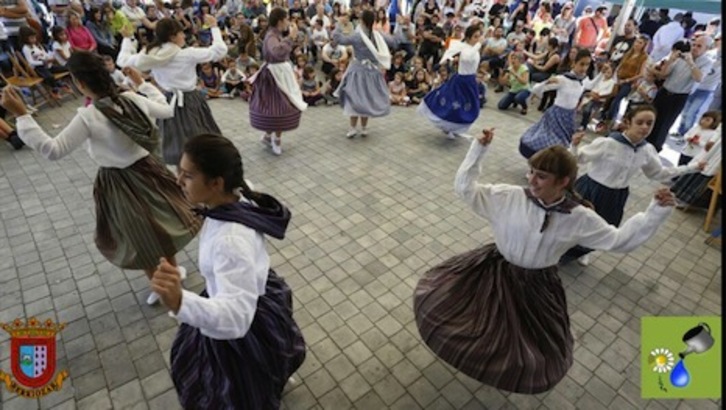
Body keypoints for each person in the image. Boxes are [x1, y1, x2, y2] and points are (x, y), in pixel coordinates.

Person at [414, 127, 677, 394]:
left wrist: (655, 212)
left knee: (532, 348)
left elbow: (619, 240)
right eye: (531, 172)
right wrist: (478, 150)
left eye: (541, 176)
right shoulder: (510, 196)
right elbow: (466, 190)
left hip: (536, 285)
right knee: (451, 310)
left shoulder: (579, 217)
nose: (531, 180)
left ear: (563, 181)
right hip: (494, 270)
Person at [0, 51, 200, 305]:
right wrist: (142, 83)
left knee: (141, 238)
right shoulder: (132, 98)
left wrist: (22, 115)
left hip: (120, 184)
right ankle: (172, 275)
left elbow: (53, 150)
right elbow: (166, 109)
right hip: (151, 171)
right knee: (162, 226)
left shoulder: (89, 116)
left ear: (79, 83)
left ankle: (165, 289)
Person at [157, 133, 306, 408]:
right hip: (255, 291)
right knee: (267, 362)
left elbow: (236, 319)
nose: (178, 181)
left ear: (216, 183)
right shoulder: (238, 193)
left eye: (187, 176)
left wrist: (181, 302)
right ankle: (273, 380)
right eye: (180, 172)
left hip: (242, 317)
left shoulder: (229, 241)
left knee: (237, 388)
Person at [560, 105, 705, 266]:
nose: (645, 127)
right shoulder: (608, 143)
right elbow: (578, 159)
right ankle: (559, 249)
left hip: (616, 196)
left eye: (649, 123)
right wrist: (574, 145)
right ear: (628, 122)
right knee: (572, 221)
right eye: (640, 122)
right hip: (591, 189)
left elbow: (658, 173)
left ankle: (584, 251)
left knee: (604, 227)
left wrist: (691, 167)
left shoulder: (647, 150)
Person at [117, 16, 227, 166]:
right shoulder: (187, 54)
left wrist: (128, 38)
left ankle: (183, 172)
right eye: (181, 33)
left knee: (174, 140)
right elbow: (219, 51)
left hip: (167, 101)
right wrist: (214, 26)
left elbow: (122, 60)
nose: (184, 36)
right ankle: (200, 169)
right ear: (173, 36)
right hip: (190, 99)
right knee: (200, 137)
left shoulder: (151, 56)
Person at [248, 7, 307, 155]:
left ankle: (269, 136)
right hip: (274, 76)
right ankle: (275, 140)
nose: (288, 21)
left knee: (273, 107)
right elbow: (277, 52)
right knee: (278, 107)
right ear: (280, 20)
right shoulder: (271, 36)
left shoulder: (275, 34)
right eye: (286, 19)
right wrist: (290, 38)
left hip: (277, 74)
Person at [333, 10, 398, 138]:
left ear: (362, 21)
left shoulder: (358, 36)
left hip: (357, 71)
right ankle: (363, 128)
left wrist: (338, 24)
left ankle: (352, 128)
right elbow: (394, 42)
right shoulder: (377, 35)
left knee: (355, 98)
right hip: (372, 71)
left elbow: (339, 39)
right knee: (367, 98)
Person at [519, 48, 592, 159]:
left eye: (587, 65)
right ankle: (535, 166)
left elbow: (590, 88)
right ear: (574, 63)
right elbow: (535, 89)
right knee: (546, 143)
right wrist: (546, 82)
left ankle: (546, 169)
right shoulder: (563, 79)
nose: (584, 68)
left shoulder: (584, 81)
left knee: (561, 147)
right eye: (581, 64)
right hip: (556, 116)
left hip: (569, 117)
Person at [417, 25, 484, 139]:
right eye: (475, 37)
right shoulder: (466, 48)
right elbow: (467, 57)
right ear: (468, 38)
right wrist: (479, 44)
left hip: (470, 81)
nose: (477, 39)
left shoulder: (472, 48)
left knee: (470, 107)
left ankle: (455, 128)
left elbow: (472, 61)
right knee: (453, 106)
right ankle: (449, 128)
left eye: (479, 36)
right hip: (461, 81)